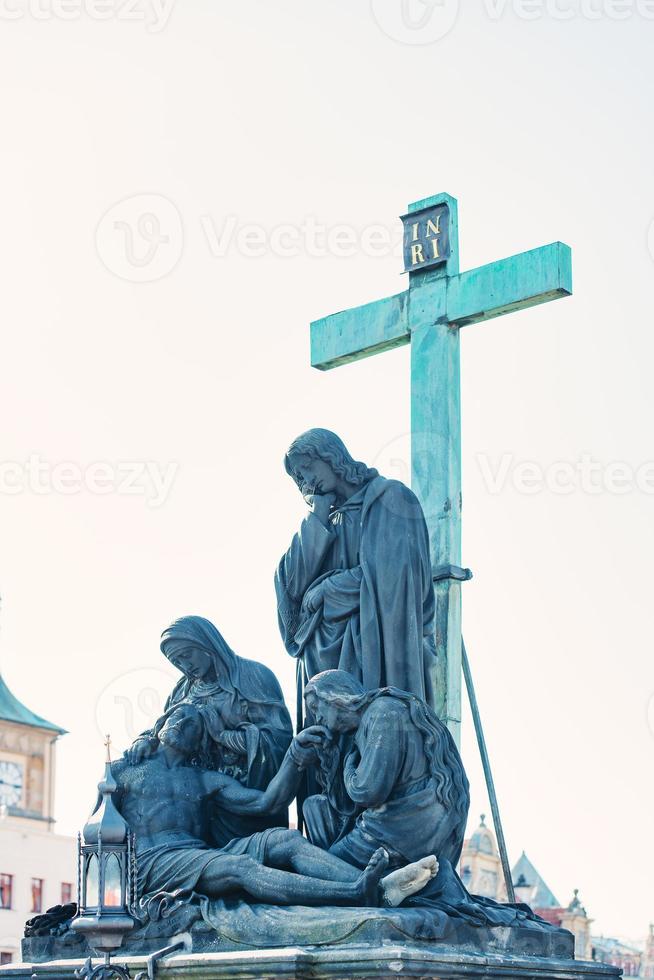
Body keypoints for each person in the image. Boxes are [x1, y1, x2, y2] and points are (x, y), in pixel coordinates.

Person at [109, 703, 439, 909]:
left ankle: (380, 889)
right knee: (242, 868)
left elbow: (267, 802)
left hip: (195, 854)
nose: (184, 723)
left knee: (286, 839)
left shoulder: (202, 779)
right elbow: (96, 831)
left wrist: (294, 756)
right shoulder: (123, 769)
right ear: (160, 725)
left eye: (194, 724)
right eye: (178, 716)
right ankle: (354, 892)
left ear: (200, 741)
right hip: (153, 864)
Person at [275, 429, 439, 713]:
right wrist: (316, 518)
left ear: (331, 456)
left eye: (307, 468)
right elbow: (290, 586)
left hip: (376, 646)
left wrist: (328, 589)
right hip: (323, 658)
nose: (306, 481)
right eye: (299, 478)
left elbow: (393, 579)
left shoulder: (390, 499)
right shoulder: (324, 519)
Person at [126, 615, 293, 843]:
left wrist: (223, 736)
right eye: (177, 662)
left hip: (244, 796)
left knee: (252, 861)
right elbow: (166, 726)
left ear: (206, 643)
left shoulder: (253, 676)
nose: (185, 666)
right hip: (199, 800)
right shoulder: (183, 690)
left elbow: (277, 741)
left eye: (187, 655)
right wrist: (144, 740)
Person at [298, 670, 470, 873]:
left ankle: (375, 889)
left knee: (323, 869)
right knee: (315, 810)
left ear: (335, 695)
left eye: (316, 707)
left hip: (405, 827)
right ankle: (387, 886)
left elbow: (367, 792)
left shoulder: (381, 712)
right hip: (421, 823)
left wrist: (349, 766)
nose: (317, 717)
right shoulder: (380, 713)